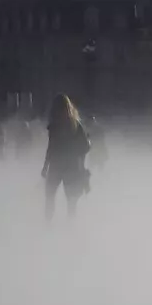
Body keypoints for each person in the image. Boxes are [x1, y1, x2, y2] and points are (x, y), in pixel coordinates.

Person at [43, 93, 91, 221]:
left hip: (63, 165)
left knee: (58, 197)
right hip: (69, 166)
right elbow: (86, 146)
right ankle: (62, 225)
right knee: (65, 199)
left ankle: (53, 224)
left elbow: (51, 147)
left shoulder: (59, 125)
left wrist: (45, 166)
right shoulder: (73, 125)